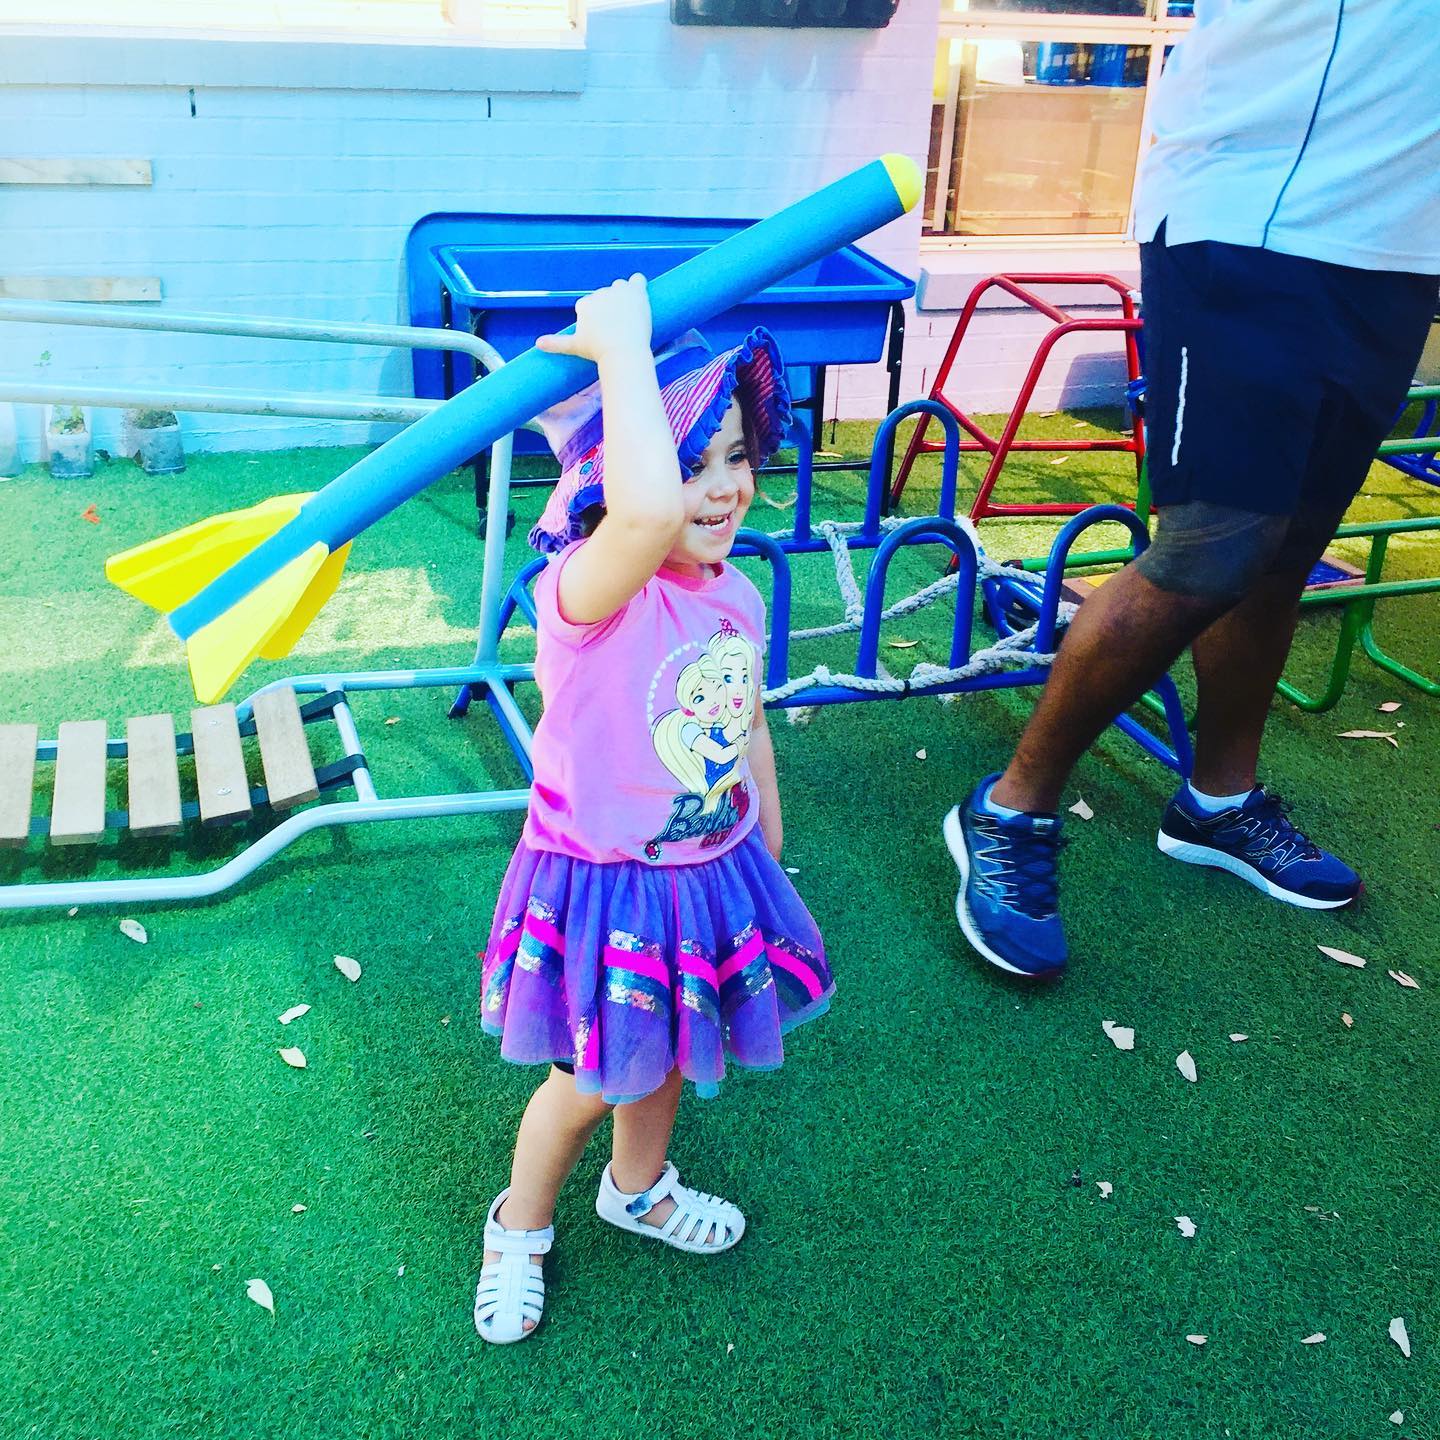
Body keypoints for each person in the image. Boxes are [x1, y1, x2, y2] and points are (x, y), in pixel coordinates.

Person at [944, 0, 1440, 979]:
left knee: (1288, 545)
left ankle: (1218, 799)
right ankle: (1011, 805)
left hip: (1396, 244)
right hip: (1252, 214)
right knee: (1214, 545)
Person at [473, 277, 833, 1343]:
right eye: (689, 461)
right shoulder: (590, 592)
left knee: (669, 1050)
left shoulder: (735, 591)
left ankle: (637, 1189)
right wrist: (623, 350)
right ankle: (518, 1228)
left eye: (734, 454)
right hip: (601, 881)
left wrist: (763, 823)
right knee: (587, 1076)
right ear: (614, 477)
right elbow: (642, 513)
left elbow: (746, 712)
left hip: (706, 873)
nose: (720, 488)